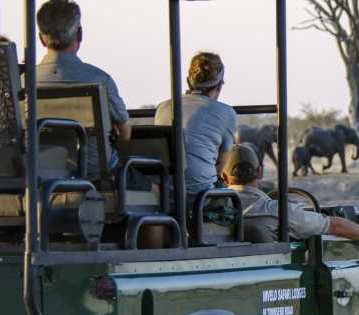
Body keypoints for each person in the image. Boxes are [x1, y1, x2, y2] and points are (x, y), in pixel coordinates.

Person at [35, 0, 151, 189]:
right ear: (79, 34)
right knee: (155, 188)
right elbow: (125, 133)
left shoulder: (24, 83)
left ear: (41, 38)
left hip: (44, 175)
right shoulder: (99, 79)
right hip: (97, 175)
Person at [222, 144, 359, 246]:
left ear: (223, 176)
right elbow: (335, 226)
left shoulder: (210, 209)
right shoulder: (276, 210)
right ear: (259, 172)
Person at [155, 52, 236, 202]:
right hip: (200, 197)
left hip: (164, 194)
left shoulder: (163, 107)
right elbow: (220, 167)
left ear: (188, 81)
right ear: (219, 85)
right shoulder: (226, 113)